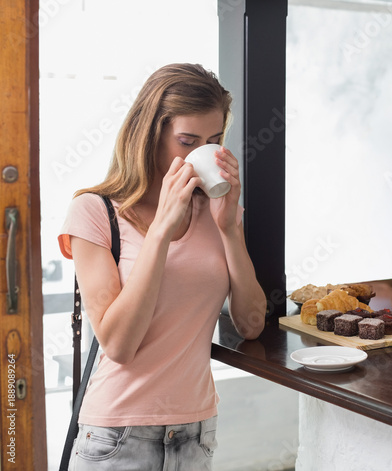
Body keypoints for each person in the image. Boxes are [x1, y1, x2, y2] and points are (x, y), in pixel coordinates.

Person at [58, 63, 267, 470]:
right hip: (116, 436)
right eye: (187, 141)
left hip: (196, 431)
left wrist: (228, 230)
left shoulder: (221, 213)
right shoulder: (94, 212)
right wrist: (160, 232)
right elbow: (118, 344)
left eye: (214, 140)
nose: (201, 154)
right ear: (149, 135)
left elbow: (252, 323)